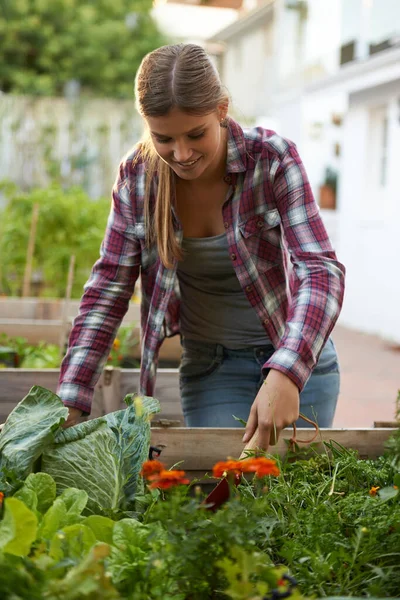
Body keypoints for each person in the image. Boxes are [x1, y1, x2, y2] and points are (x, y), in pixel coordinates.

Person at [58, 43, 345, 450]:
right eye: (164, 138)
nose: (182, 154)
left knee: (293, 504)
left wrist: (287, 370)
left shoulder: (273, 160)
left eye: (196, 134)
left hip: (298, 361)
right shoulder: (138, 179)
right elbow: (108, 289)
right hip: (213, 369)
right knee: (225, 503)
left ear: (222, 110)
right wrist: (72, 397)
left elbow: (320, 271)